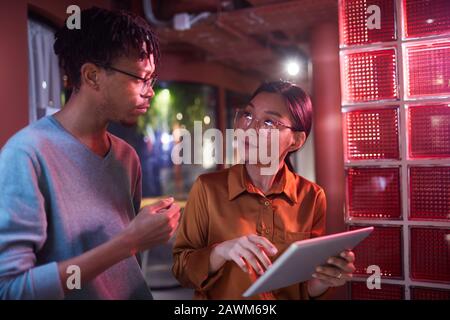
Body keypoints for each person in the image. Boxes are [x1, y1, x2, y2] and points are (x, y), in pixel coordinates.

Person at [0, 7, 180, 299]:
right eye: (140, 78)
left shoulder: (127, 157)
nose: (150, 92)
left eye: (152, 80)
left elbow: (124, 266)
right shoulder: (27, 154)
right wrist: (128, 242)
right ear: (92, 76)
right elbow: (11, 290)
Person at [172, 81, 355, 299]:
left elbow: (305, 288)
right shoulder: (207, 189)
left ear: (296, 140)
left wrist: (323, 281)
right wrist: (221, 251)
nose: (249, 128)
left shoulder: (312, 197)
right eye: (248, 115)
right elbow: (181, 271)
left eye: (269, 122)